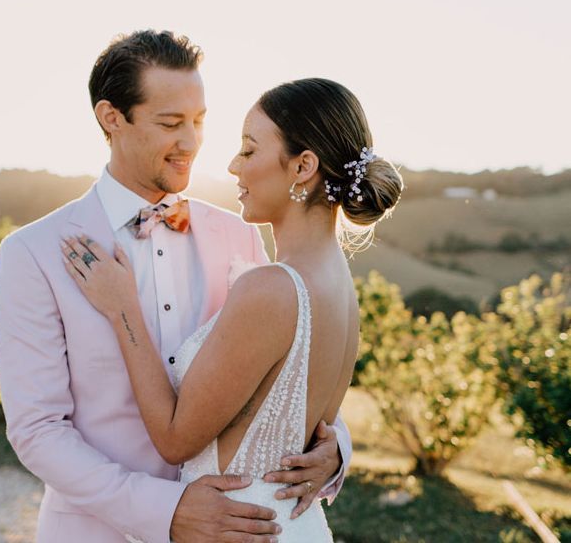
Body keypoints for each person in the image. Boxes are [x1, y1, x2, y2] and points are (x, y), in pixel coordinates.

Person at [0, 30, 352, 543]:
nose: (192, 142)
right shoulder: (35, 252)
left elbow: (292, 367)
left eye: (199, 121)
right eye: (170, 123)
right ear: (112, 118)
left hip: (238, 526)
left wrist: (336, 448)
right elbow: (37, 430)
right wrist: (165, 510)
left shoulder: (240, 234)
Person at [61, 77, 404, 540]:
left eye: (248, 150)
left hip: (242, 528)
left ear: (303, 166)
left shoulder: (270, 288)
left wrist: (123, 308)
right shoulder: (339, 284)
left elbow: (174, 438)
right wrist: (337, 450)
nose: (232, 165)